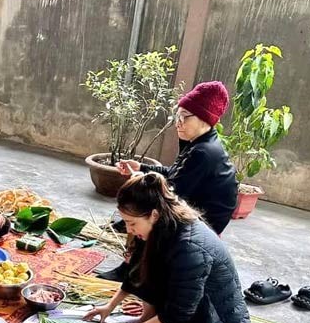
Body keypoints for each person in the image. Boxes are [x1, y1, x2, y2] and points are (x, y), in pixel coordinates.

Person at [85, 172, 251, 323]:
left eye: (132, 223)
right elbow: (135, 272)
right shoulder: (159, 224)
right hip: (189, 311)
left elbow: (177, 314)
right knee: (148, 275)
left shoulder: (190, 247)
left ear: (153, 214)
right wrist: (109, 306)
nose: (128, 229)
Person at [98, 81, 238, 282]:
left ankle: (132, 271)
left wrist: (140, 180)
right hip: (194, 208)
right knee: (148, 205)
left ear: (205, 119)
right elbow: (174, 172)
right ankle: (133, 267)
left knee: (151, 212)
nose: (178, 123)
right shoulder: (199, 144)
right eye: (177, 116)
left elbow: (171, 190)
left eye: (184, 117)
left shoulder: (204, 152)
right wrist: (142, 168)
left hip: (205, 223)